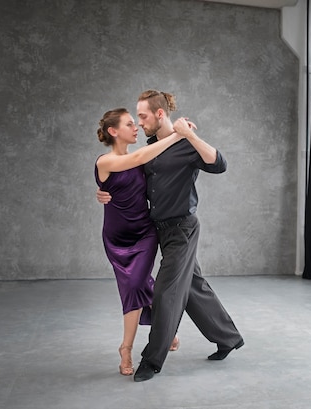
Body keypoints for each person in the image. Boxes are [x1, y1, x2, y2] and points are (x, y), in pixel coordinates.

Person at [97, 90, 244, 383]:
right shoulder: (151, 146)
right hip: (157, 230)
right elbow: (125, 175)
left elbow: (219, 163)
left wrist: (188, 135)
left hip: (182, 228)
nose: (139, 123)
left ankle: (151, 360)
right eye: (135, 118)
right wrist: (105, 193)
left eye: (142, 116)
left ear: (159, 114)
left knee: (166, 292)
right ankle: (228, 338)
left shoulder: (187, 143)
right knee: (192, 288)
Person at [95, 108, 182, 376]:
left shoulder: (138, 160)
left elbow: (150, 172)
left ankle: (126, 348)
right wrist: (179, 135)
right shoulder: (105, 161)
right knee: (143, 285)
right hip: (117, 238)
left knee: (135, 285)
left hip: (145, 233)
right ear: (113, 131)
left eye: (136, 123)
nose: (136, 127)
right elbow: (141, 156)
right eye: (130, 124)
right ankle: (164, 332)